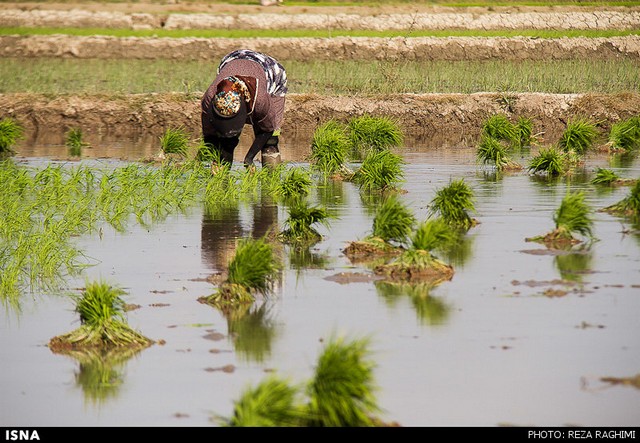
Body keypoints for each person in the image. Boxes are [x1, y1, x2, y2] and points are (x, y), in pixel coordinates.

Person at [201, 49, 288, 168]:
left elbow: (267, 130)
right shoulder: (210, 97)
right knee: (226, 141)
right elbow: (209, 134)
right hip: (233, 60)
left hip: (271, 71)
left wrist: (249, 158)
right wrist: (215, 154)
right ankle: (222, 178)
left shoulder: (261, 101)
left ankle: (272, 181)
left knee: (270, 142)